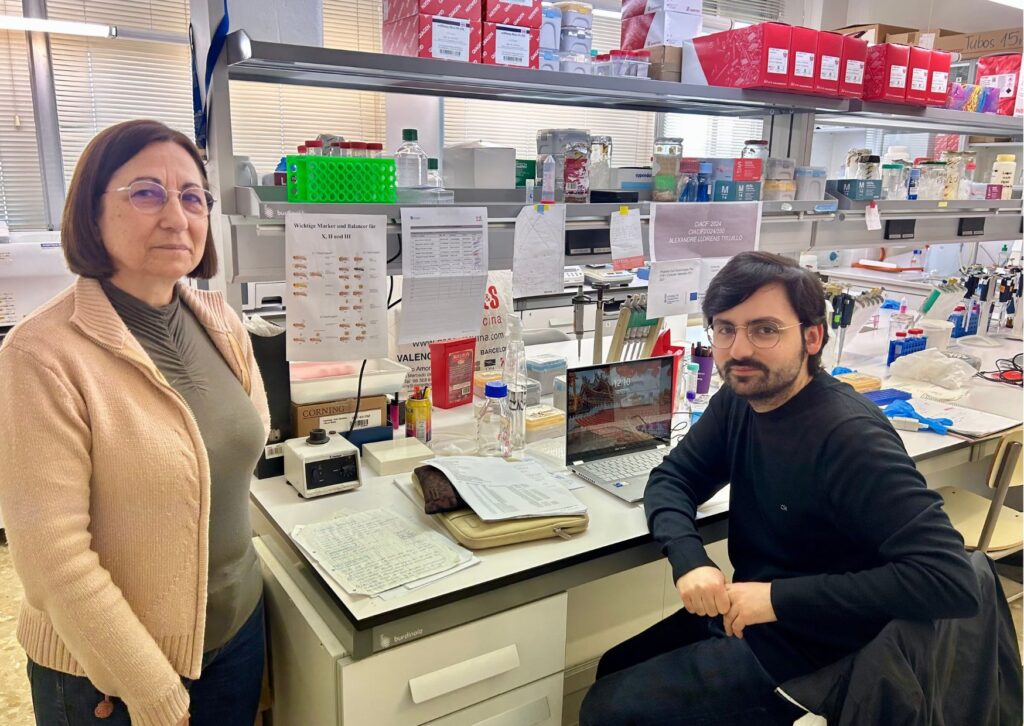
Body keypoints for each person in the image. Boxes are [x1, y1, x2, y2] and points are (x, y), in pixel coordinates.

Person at [580, 251, 980, 725]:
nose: (739, 349)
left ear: (812, 337)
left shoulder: (850, 439)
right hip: (749, 612)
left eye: (765, 330)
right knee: (614, 668)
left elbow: (949, 580)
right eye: (725, 329)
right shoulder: (742, 398)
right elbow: (673, 478)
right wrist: (691, 561)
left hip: (822, 648)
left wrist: (775, 599)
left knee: (607, 711)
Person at [0, 119, 270, 726]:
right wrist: (147, 685)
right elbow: (51, 560)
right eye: (147, 192)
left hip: (236, 638)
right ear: (92, 212)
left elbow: (233, 462)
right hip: (110, 676)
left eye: (192, 197)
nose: (177, 216)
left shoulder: (222, 324)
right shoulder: (41, 355)